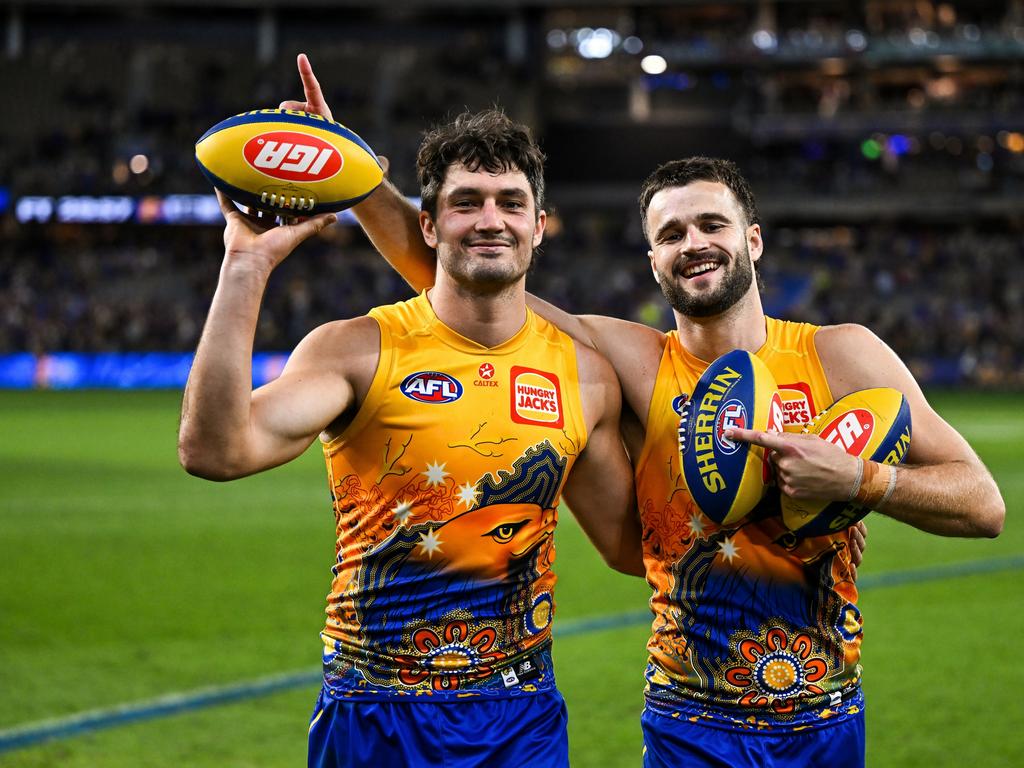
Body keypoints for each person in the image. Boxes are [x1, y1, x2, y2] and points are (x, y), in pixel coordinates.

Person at [317, 86, 1006, 768]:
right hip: (689, 726)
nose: (694, 244)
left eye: (713, 224)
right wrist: (352, 176)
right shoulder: (634, 363)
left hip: (826, 718)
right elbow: (466, 276)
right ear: (652, 260)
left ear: (753, 240)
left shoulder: (843, 354)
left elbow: (982, 504)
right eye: (670, 234)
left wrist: (858, 478)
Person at [177, 93, 644, 766]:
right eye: (466, 202)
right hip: (373, 716)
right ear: (427, 225)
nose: (491, 220)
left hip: (520, 720)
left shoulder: (586, 377)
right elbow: (213, 450)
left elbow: (632, 548)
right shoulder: (356, 350)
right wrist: (245, 265)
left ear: (540, 226)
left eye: (510, 203)